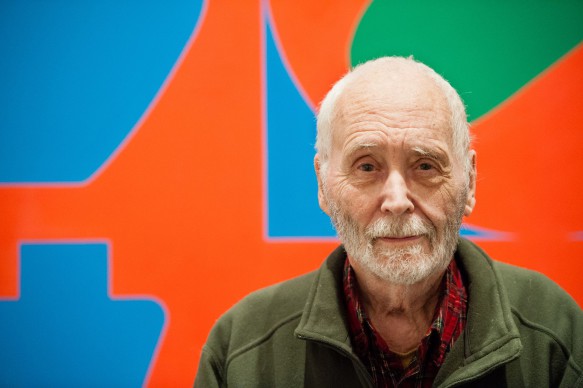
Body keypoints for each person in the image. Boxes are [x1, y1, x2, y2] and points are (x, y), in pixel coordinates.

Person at [194, 57, 583, 387]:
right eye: (366, 166)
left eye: (426, 165)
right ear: (322, 186)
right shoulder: (242, 349)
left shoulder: (555, 331)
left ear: (470, 180)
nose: (397, 201)